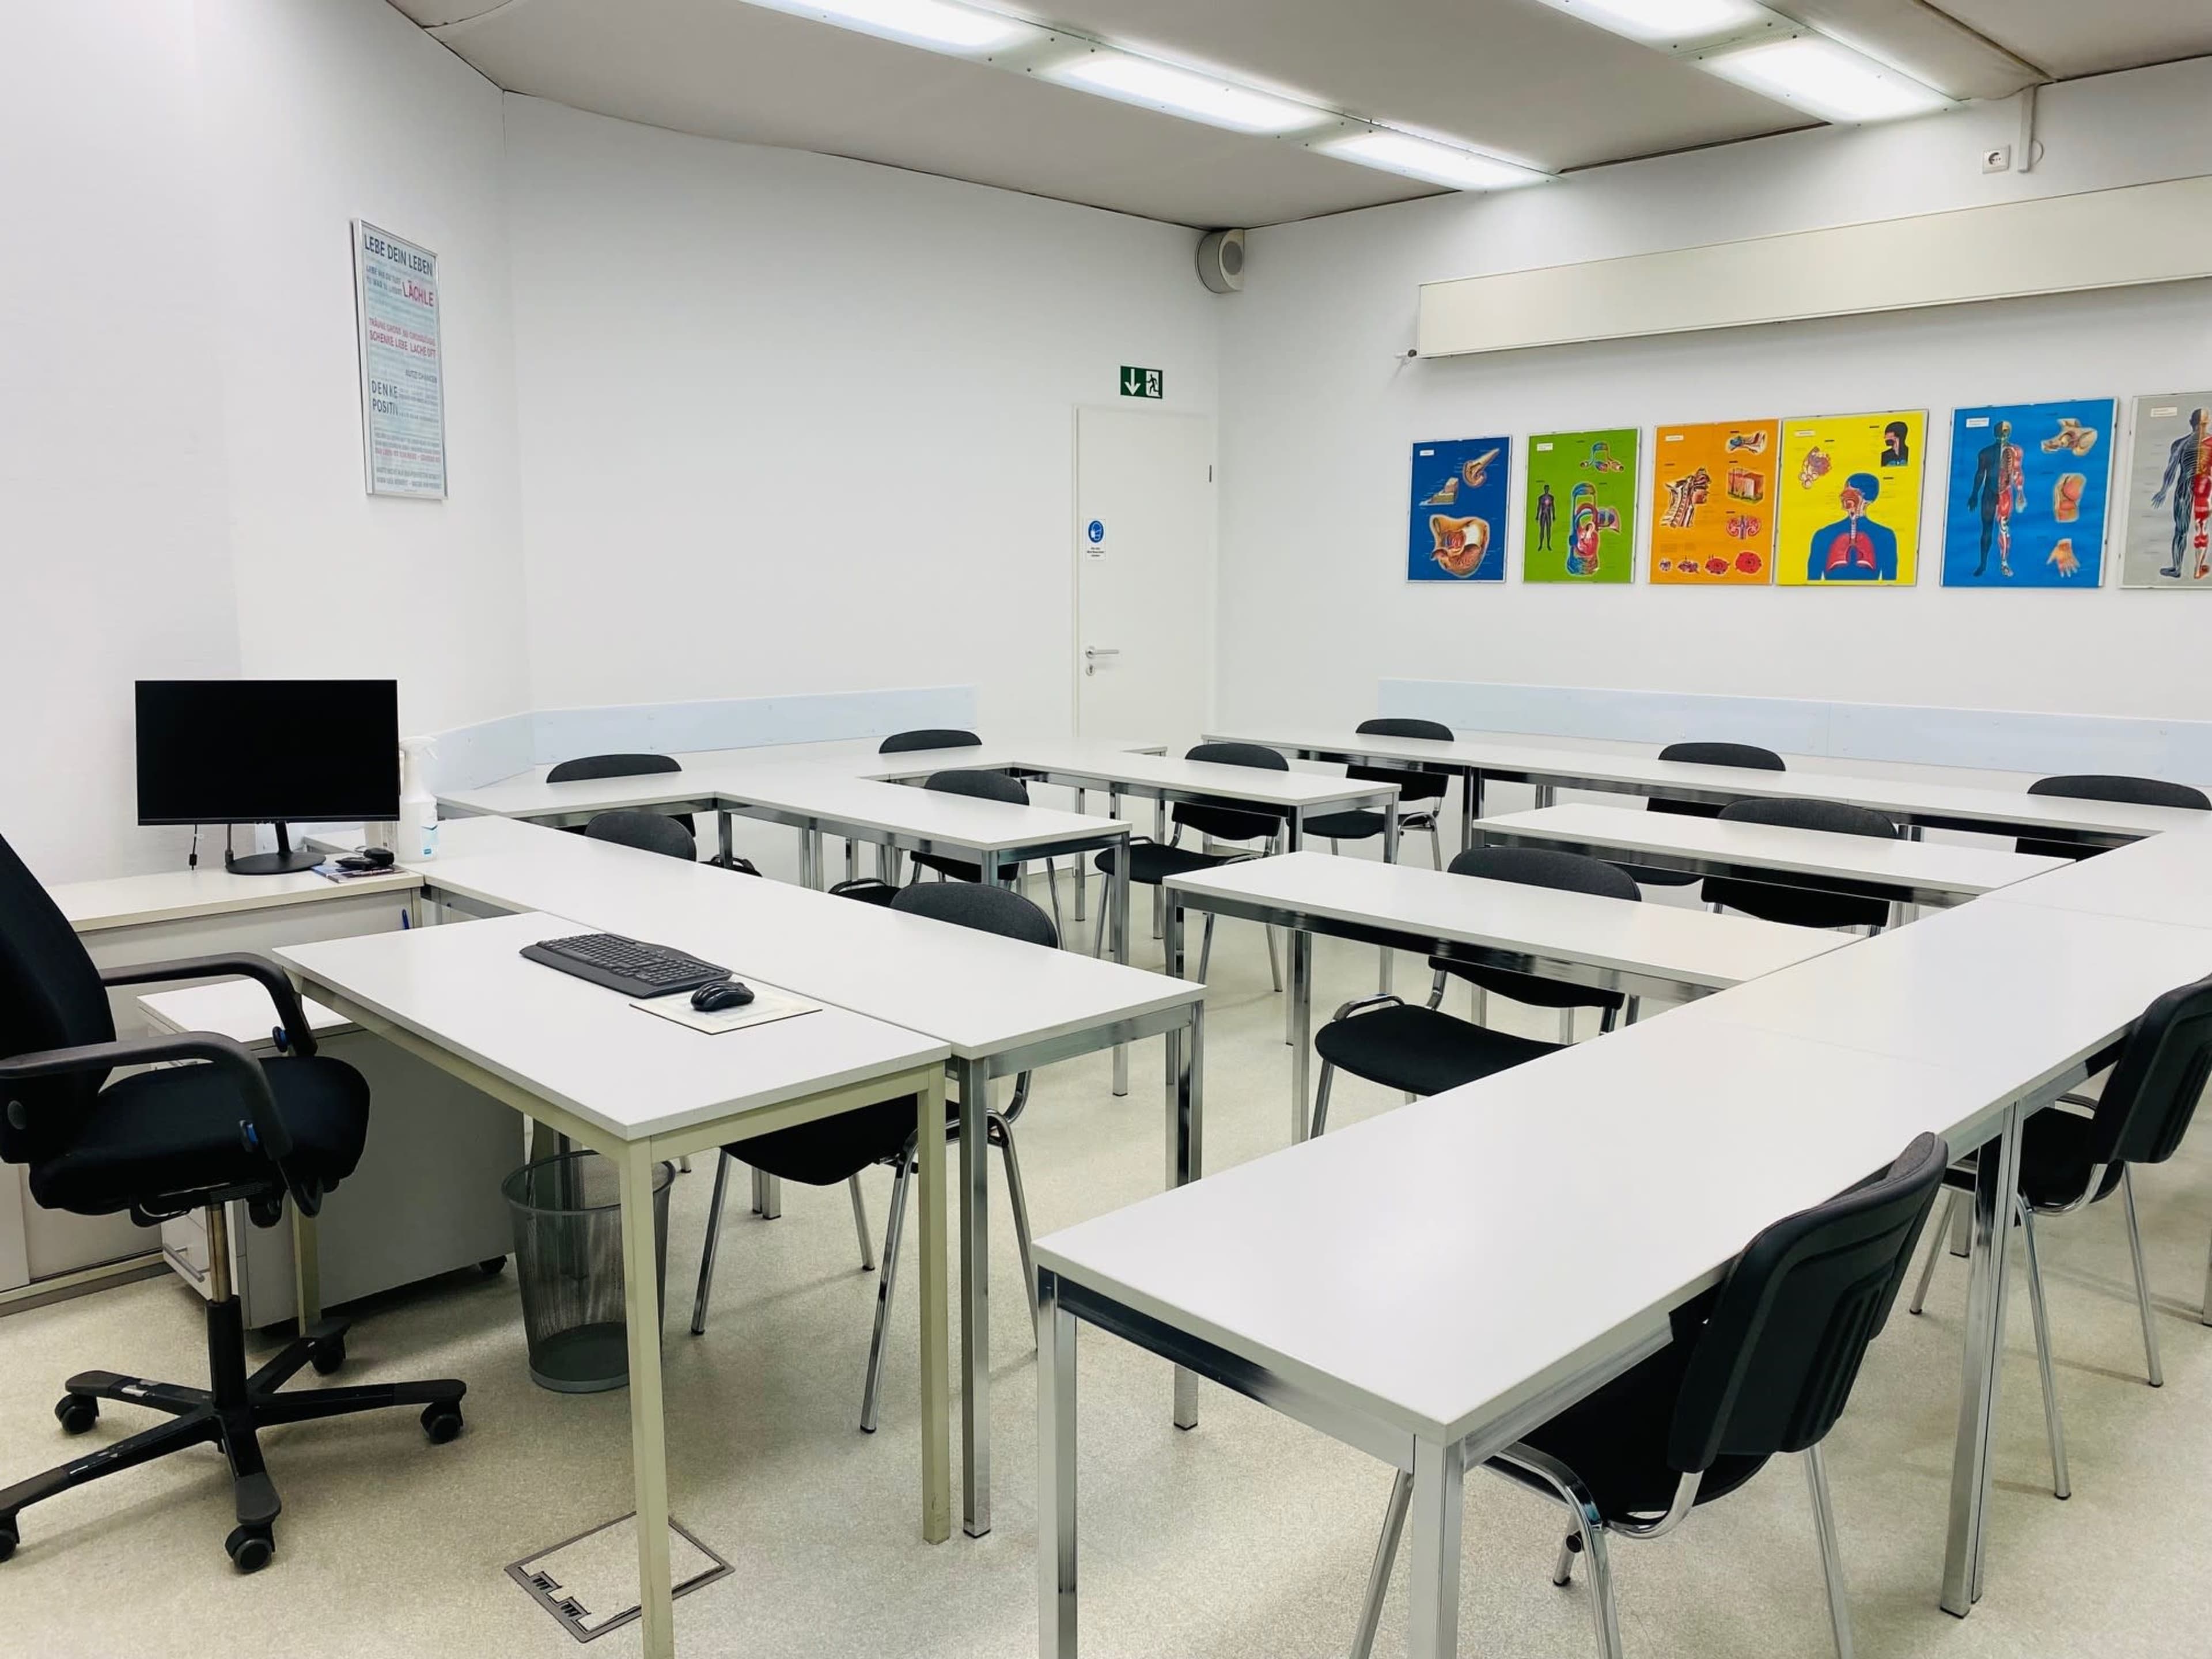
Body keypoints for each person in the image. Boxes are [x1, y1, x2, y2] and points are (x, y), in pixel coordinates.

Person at [2152, 406, 2212, 581]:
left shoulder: (2181, 443)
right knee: (2201, 527)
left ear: (2191, 422)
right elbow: (2171, 469)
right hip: (2203, 486)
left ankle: (2178, 568)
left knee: (2181, 529)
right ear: (2207, 422)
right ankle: (2198, 568)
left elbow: (2171, 470)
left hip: (2185, 485)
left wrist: (2164, 491)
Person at [1806, 472, 1898, 582]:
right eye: (1845, 491)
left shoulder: (1885, 536)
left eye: (1853, 492)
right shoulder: (1823, 535)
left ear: (1867, 500)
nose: (1844, 496)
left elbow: (1890, 581)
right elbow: (1812, 581)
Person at [1967, 419, 2026, 579]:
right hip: (1989, 493)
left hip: (2005, 494)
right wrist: (1974, 494)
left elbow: (2017, 472)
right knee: (1986, 530)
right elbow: (1980, 474)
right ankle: (1983, 564)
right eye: (2000, 431)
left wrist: (2020, 493)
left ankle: (2004, 563)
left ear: (2010, 433)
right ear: (1995, 433)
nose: (2002, 435)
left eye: (2005, 431)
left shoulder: (2016, 451)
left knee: (2004, 528)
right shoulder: (1985, 453)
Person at [1535, 482, 1556, 551]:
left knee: (1548, 530)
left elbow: (1553, 507)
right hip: (1543, 515)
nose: (1547, 490)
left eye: (1548, 489)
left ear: (1549, 489)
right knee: (1542, 530)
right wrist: (1537, 516)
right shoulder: (1541, 498)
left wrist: (1554, 515)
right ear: (1544, 489)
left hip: (1549, 515)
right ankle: (1541, 545)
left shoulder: (1551, 498)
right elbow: (1539, 507)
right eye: (1546, 489)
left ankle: (1548, 545)